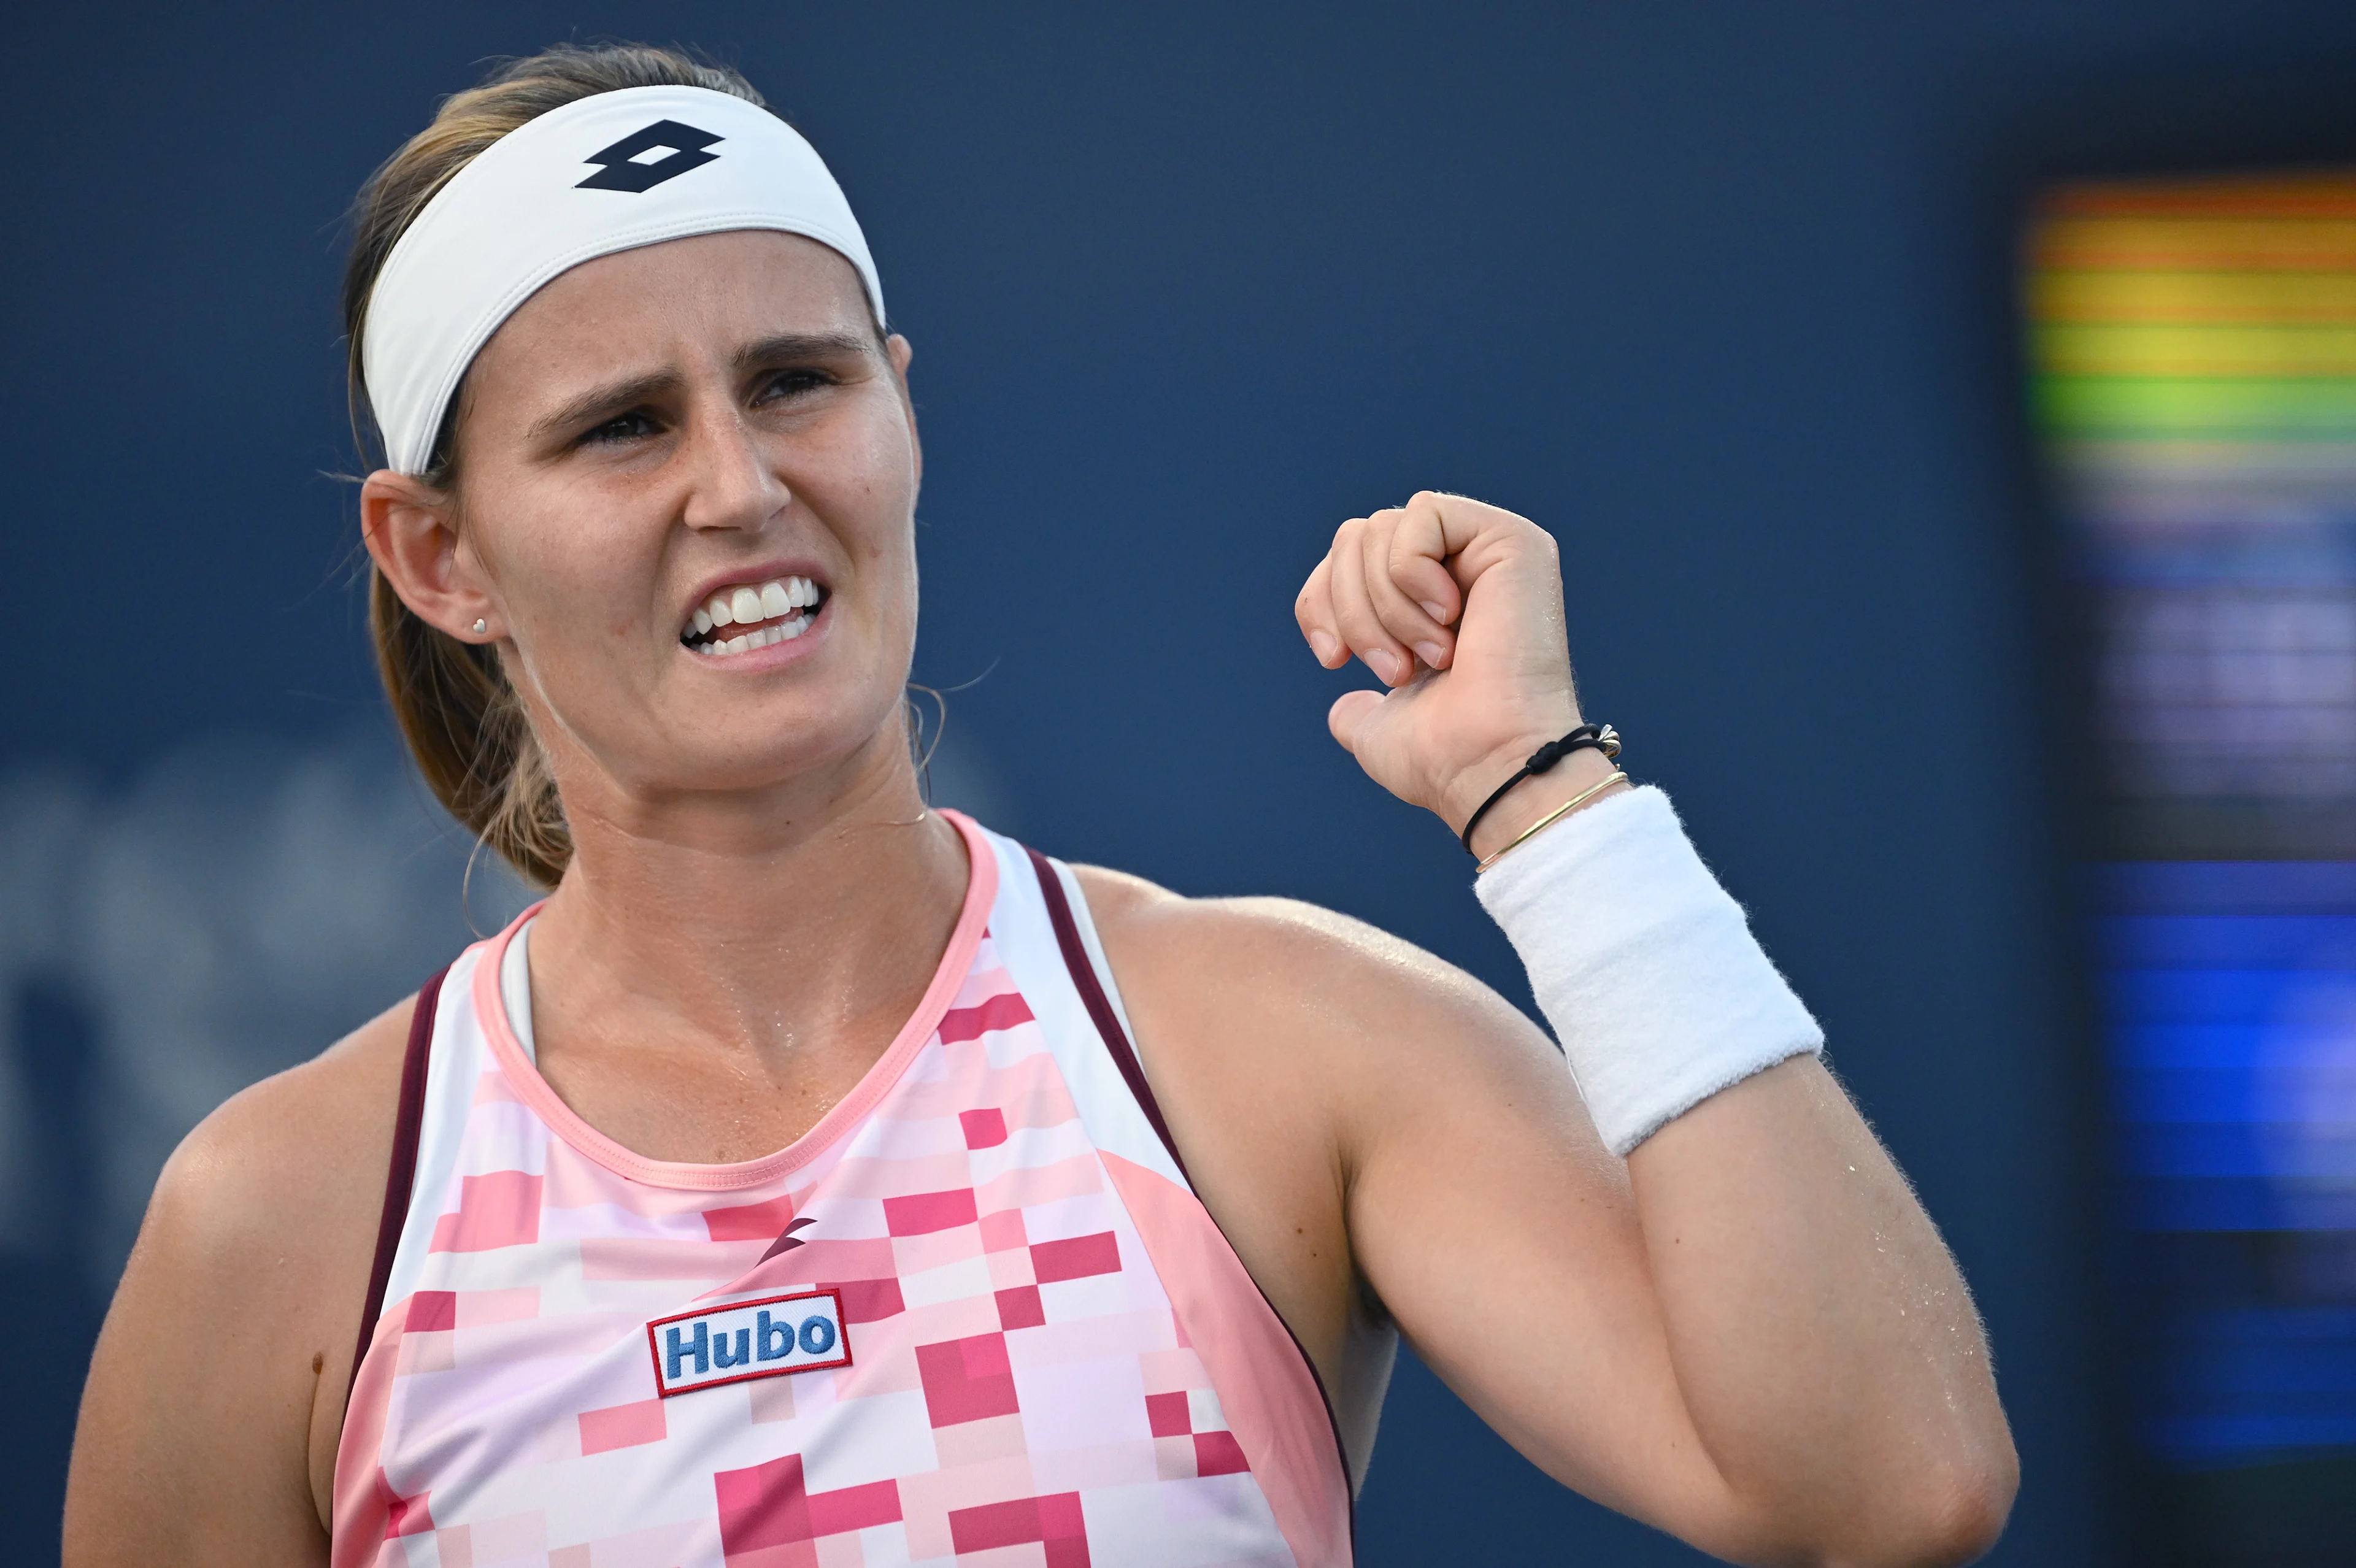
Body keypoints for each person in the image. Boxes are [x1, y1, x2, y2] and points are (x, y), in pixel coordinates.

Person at [63, 42, 2015, 1568]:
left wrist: (1549, 799)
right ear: (438, 558)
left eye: (798, 381)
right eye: (622, 426)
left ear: (903, 405)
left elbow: (1886, 1485)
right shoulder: (284, 1222)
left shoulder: (1264, 1042)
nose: (739, 486)